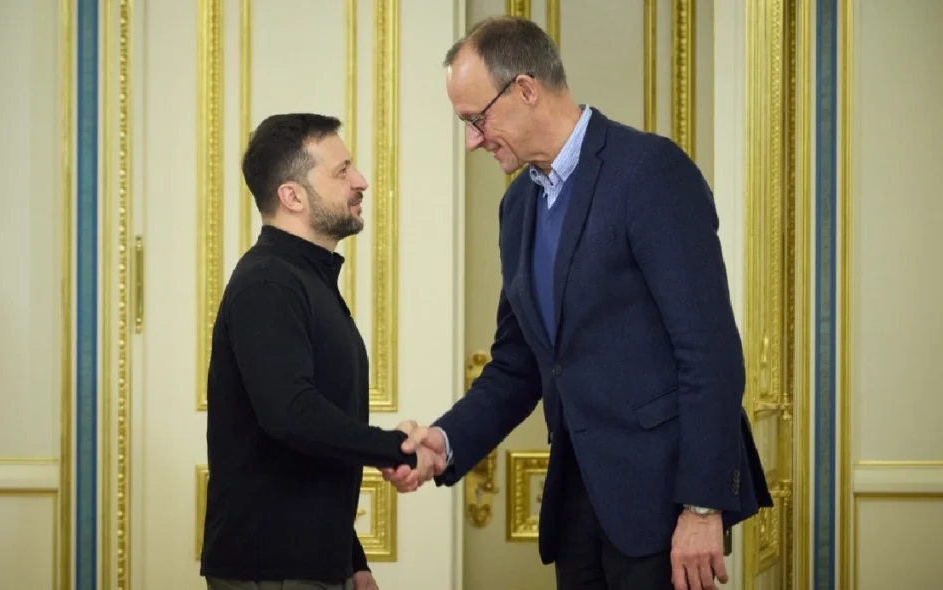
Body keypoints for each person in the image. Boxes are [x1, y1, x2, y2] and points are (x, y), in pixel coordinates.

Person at [382, 17, 773, 590]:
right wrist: (444, 442)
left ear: (525, 89)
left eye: (475, 119)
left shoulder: (650, 171)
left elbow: (709, 352)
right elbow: (518, 366)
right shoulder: (517, 208)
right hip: (576, 511)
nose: (472, 140)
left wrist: (702, 505)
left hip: (665, 508)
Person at [200, 113, 440, 590]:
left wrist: (351, 560)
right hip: (271, 570)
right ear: (292, 196)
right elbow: (291, 414)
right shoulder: (268, 283)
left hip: (312, 564)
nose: (361, 181)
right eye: (342, 171)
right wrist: (396, 449)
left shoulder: (305, 280)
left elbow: (310, 447)